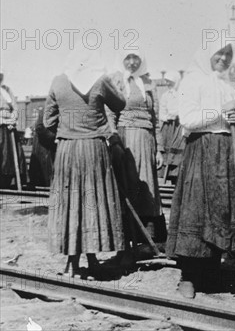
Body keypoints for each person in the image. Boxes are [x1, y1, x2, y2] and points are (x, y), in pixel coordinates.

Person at [166, 42, 235, 299]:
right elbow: (188, 119)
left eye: (228, 54)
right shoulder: (193, 81)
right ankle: (188, 276)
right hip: (202, 148)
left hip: (226, 150)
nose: (223, 58)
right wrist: (221, 111)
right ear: (207, 54)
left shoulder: (230, 84)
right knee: (197, 211)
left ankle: (211, 271)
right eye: (218, 53)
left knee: (222, 210)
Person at [44, 49, 126, 277]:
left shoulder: (59, 81)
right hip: (93, 148)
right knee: (92, 201)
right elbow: (120, 104)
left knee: (71, 203)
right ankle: (91, 258)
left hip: (67, 150)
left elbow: (47, 121)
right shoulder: (100, 81)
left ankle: (73, 261)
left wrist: (67, 127)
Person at [108, 50, 166, 248]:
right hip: (127, 138)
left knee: (149, 184)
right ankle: (129, 233)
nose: (132, 62)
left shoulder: (148, 82)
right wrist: (114, 140)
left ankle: (148, 232)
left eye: (136, 58)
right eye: (128, 58)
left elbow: (155, 117)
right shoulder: (116, 80)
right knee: (131, 182)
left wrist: (159, 148)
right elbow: (110, 114)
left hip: (147, 138)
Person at [0, 69, 28, 189]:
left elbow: (15, 107)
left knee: (13, 154)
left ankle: (10, 183)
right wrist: (2, 121)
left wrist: (13, 119)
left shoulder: (6, 90)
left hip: (9, 128)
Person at [159, 70, 185, 183]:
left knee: (180, 150)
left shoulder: (183, 94)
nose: (168, 83)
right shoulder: (165, 95)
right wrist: (169, 116)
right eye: (166, 81)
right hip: (169, 127)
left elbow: (184, 109)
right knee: (168, 150)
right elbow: (162, 113)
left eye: (170, 81)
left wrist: (178, 114)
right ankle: (168, 176)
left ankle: (177, 177)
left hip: (180, 126)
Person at [28, 106, 57, 187]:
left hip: (51, 146)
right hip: (42, 146)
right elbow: (39, 128)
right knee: (42, 174)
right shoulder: (46, 110)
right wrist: (54, 136)